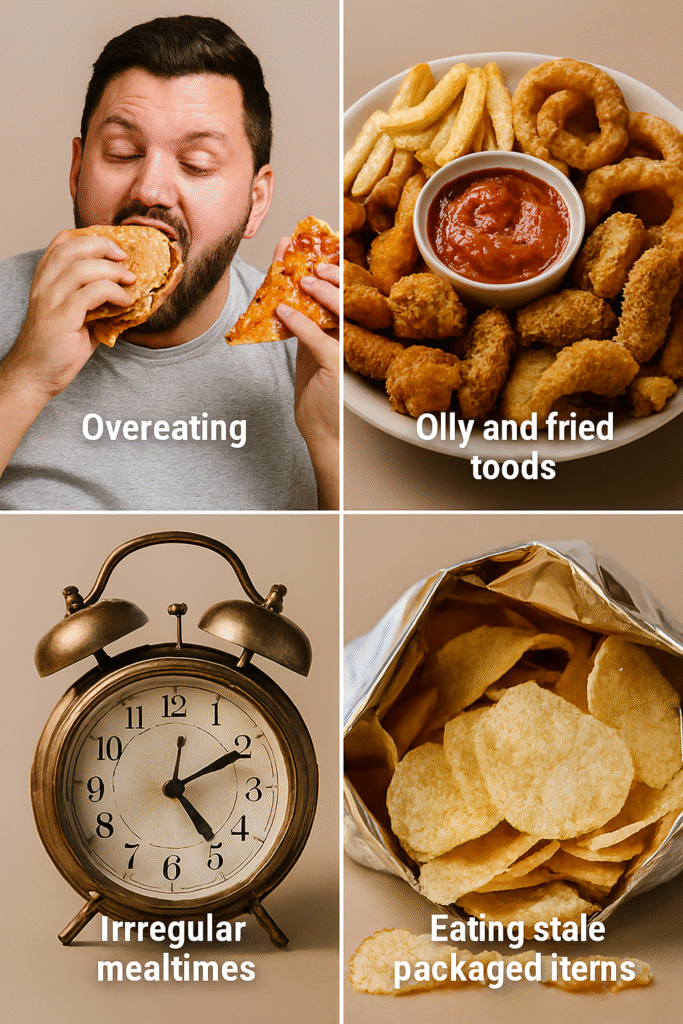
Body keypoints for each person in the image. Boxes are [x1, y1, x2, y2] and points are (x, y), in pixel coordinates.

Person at [0, 15, 339, 510]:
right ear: (76, 171)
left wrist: (330, 442)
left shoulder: (314, 353)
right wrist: (23, 380)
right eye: (122, 152)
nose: (151, 189)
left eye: (196, 163)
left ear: (257, 200)